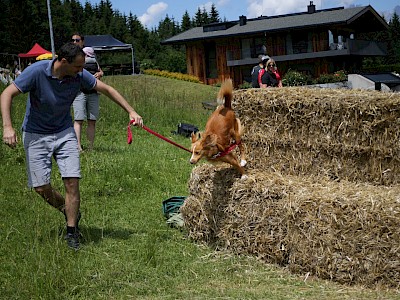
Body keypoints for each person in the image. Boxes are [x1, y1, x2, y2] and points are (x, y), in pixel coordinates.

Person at [1, 43, 143, 250]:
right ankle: (68, 210)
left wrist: (131, 111)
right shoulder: (36, 72)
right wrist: (7, 127)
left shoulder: (78, 75)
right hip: (36, 134)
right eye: (78, 67)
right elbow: (6, 94)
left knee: (72, 182)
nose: (81, 71)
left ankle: (72, 231)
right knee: (41, 188)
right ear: (63, 61)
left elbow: (107, 89)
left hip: (64, 132)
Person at [73, 46, 103, 151]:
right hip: (86, 92)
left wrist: (99, 73)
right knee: (89, 121)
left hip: (82, 92)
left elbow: (101, 72)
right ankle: (88, 147)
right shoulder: (93, 61)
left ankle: (79, 147)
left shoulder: (89, 62)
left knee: (79, 120)